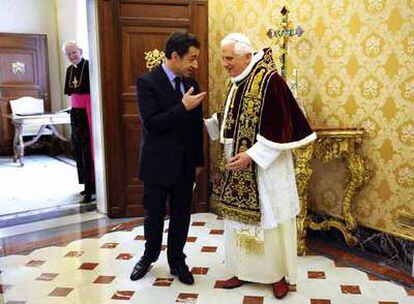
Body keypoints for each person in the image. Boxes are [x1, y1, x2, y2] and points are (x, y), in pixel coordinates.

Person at [205, 33, 316, 299]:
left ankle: (276, 275)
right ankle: (242, 270)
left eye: (229, 58)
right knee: (236, 222)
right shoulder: (238, 80)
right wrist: (209, 123)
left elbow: (281, 126)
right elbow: (234, 115)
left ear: (246, 56)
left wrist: (251, 156)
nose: (225, 64)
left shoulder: (270, 81)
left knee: (271, 220)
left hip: (267, 168)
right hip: (238, 164)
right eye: (223, 58)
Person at [130, 32, 206, 285]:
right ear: (175, 57)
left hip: (185, 164)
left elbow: (196, 128)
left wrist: (198, 162)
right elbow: (152, 124)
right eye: (191, 59)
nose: (195, 65)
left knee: (182, 214)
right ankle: (148, 256)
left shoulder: (191, 83)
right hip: (157, 162)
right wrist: (182, 107)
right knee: (153, 215)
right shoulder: (147, 82)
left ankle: (177, 260)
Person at [63, 41, 95, 203]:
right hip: (75, 112)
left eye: (74, 52)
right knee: (78, 148)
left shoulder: (89, 66)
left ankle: (92, 187)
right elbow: (71, 93)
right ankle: (85, 185)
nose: (72, 56)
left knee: (88, 149)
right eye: (68, 54)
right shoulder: (69, 70)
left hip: (87, 112)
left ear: (80, 51)